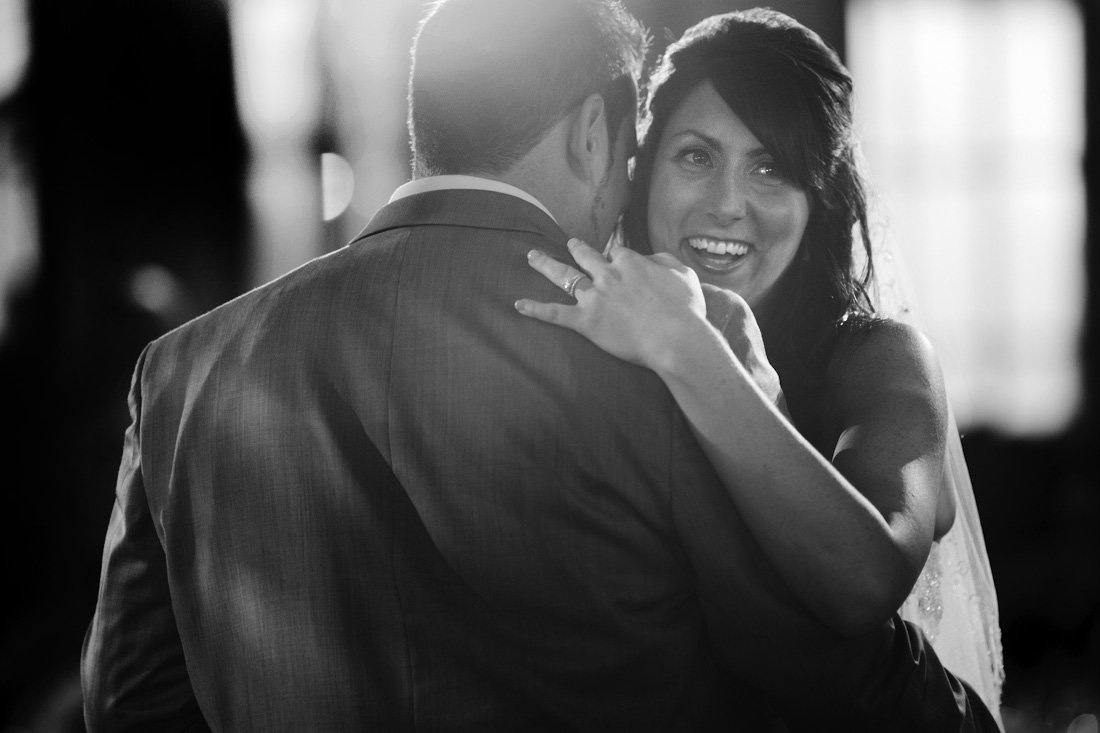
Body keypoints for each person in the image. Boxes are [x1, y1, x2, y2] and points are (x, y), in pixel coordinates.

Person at [81, 1, 996, 730]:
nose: (724, 201)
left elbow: (130, 703)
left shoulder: (180, 370)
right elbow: (805, 659)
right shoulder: (665, 349)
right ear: (597, 135)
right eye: (672, 155)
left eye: (770, 169)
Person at [517, 6, 1005, 726]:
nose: (727, 205)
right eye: (696, 157)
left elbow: (863, 584)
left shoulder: (881, 360)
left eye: (770, 167)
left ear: (819, 202)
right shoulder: (582, 345)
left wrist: (691, 350)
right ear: (643, 174)